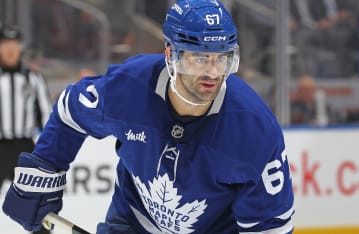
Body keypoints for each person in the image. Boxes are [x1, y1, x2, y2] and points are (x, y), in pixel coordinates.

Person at [2, 1, 295, 233]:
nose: (213, 72)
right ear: (171, 55)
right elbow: (71, 110)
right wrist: (43, 170)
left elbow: (270, 226)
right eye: (200, 58)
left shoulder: (254, 131)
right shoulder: (129, 88)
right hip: (134, 221)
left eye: (222, 58)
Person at [0, 25, 52, 234]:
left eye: (14, 44)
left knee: (35, 204)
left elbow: (47, 115)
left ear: (20, 46)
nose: (10, 49)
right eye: (5, 44)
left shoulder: (33, 78)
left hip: (24, 148)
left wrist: (46, 152)